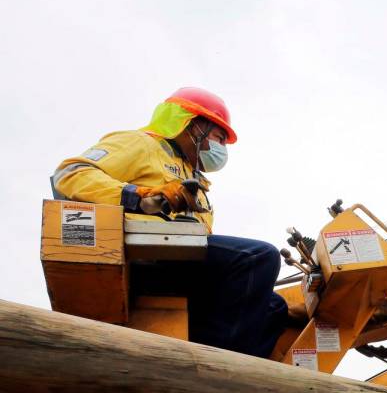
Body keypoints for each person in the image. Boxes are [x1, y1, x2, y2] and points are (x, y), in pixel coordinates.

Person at [51, 88, 288, 358]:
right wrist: (138, 196)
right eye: (218, 137)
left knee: (274, 307)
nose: (221, 148)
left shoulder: (193, 177)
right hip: (145, 260)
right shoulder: (143, 144)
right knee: (258, 258)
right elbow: (70, 174)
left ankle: (229, 369)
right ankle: (220, 365)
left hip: (179, 264)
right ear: (192, 124)